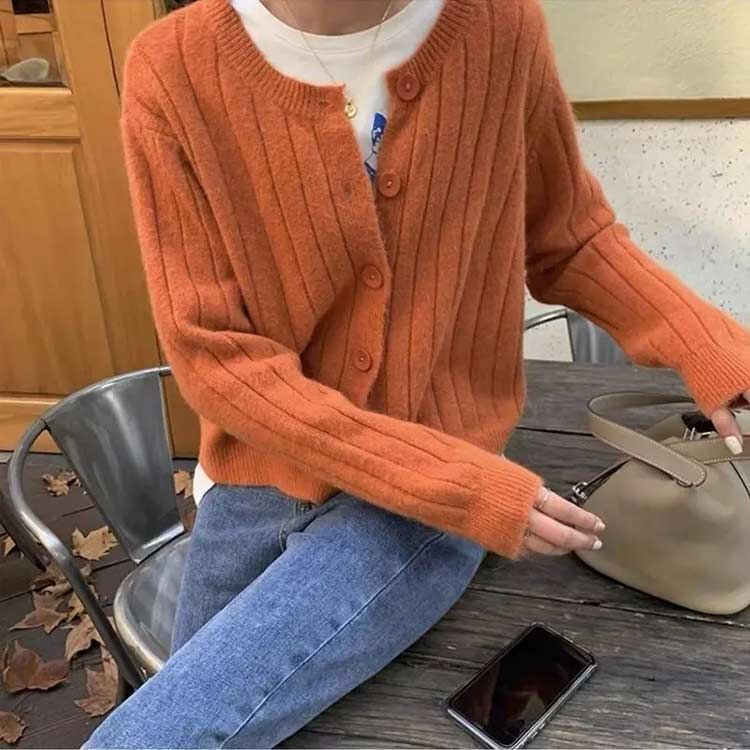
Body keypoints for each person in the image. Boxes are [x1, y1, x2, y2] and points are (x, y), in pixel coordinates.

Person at [82, 0, 750, 747]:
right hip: (264, 481)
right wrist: (462, 486)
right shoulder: (173, 69)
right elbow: (217, 356)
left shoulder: (499, 27)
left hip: (427, 497)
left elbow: (569, 238)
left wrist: (712, 347)